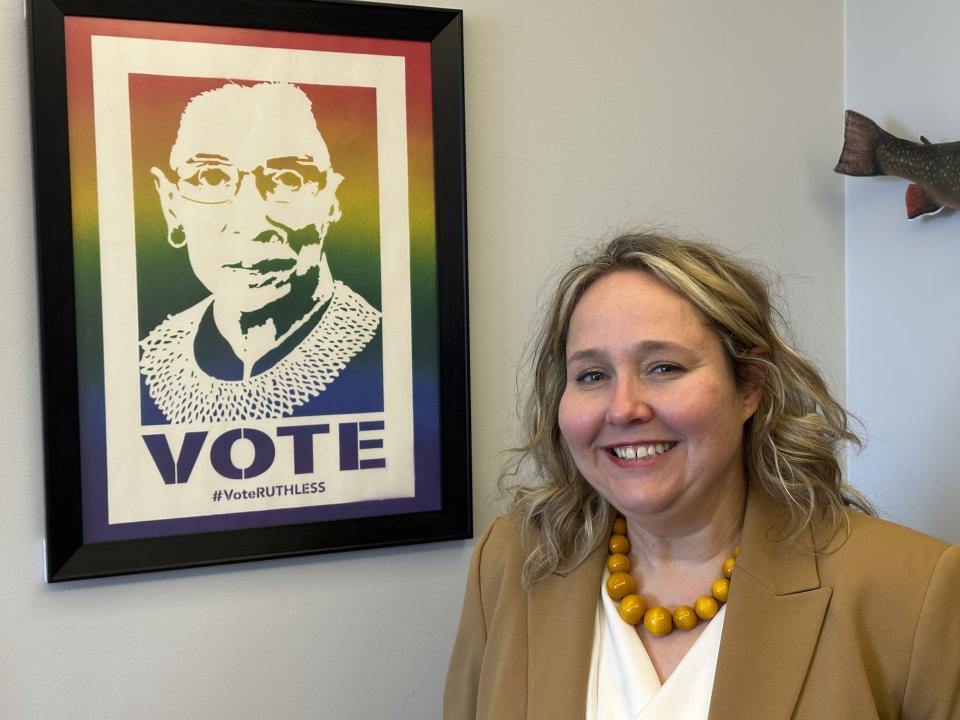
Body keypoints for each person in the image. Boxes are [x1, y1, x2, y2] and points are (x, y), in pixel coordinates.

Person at [444, 233, 960, 719]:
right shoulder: (511, 561)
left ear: (750, 386)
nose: (623, 409)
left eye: (664, 367)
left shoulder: (914, 589)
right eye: (592, 376)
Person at [140, 81, 381, 424]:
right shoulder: (138, 366)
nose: (251, 224)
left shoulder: (393, 356)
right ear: (172, 206)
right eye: (211, 177)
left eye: (288, 179)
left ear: (330, 200)